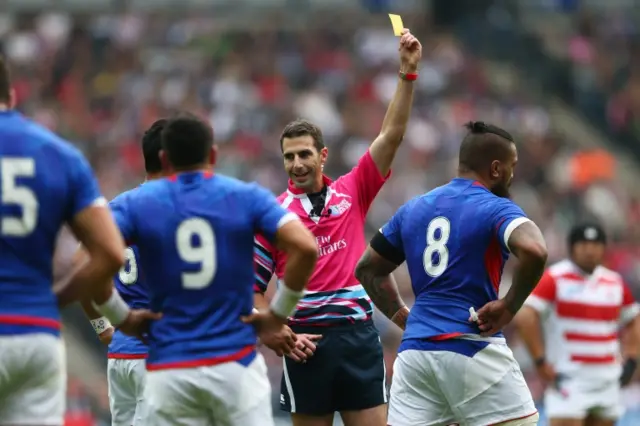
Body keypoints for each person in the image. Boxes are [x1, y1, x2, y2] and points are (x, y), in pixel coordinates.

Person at [253, 28, 422, 426]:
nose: (296, 163)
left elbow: (391, 136)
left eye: (304, 154)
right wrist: (274, 331)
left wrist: (407, 74)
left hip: (358, 337)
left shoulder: (353, 190)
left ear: (323, 155)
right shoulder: (271, 216)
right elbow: (252, 291)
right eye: (289, 157)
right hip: (305, 344)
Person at [107, 112, 318, 425]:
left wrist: (117, 318)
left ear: (164, 158)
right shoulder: (245, 196)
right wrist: (276, 315)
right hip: (235, 364)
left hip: (169, 369)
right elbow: (305, 247)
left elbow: (86, 262)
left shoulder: (136, 204)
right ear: (214, 154)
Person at [355, 121, 546, 426]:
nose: (513, 175)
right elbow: (536, 250)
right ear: (496, 169)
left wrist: (401, 315)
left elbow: (367, 269)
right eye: (512, 167)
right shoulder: (495, 208)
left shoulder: (414, 208)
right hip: (468, 343)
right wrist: (509, 305)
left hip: (415, 354)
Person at [0, 56, 138, 425]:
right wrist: (57, 298)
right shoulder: (61, 155)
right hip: (36, 332)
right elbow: (108, 253)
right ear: (11, 95)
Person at [77, 119, 168, 426]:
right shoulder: (174, 211)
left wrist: (103, 327)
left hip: (120, 357)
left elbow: (80, 267)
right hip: (156, 356)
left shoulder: (117, 208)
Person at [516, 223, 640, 426]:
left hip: (607, 378)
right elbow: (526, 316)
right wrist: (540, 361)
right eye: (583, 244)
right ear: (572, 247)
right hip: (569, 377)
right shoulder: (555, 278)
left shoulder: (614, 282)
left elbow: (634, 319)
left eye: (595, 244)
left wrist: (632, 359)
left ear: (603, 248)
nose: (590, 250)